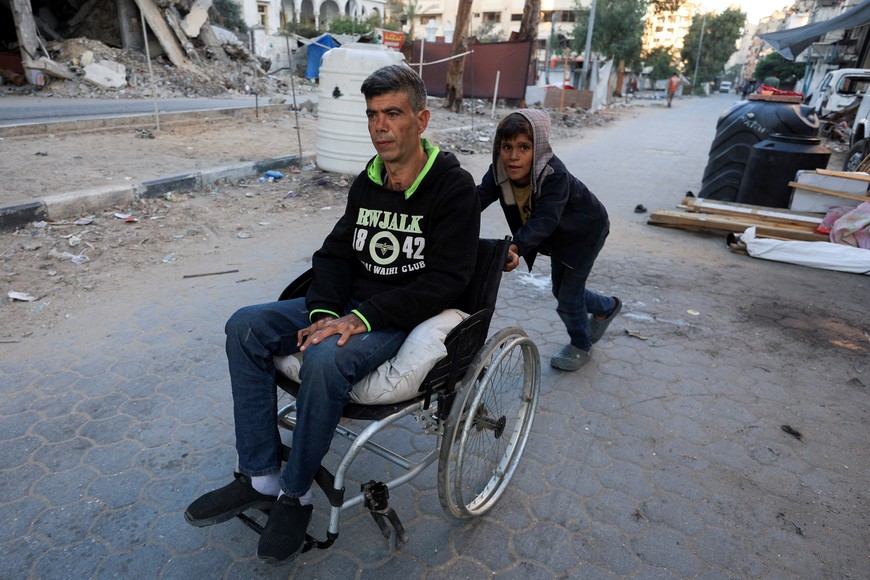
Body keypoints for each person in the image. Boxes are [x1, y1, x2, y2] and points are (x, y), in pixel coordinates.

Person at [183, 64, 480, 565]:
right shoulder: (367, 180)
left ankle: (295, 494)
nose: (379, 126)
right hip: (345, 307)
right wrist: (324, 311)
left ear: (422, 120)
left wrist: (360, 319)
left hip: (395, 316)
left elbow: (447, 281)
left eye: (392, 114)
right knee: (244, 326)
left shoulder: (453, 189)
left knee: (324, 358)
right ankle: (261, 476)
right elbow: (336, 254)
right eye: (371, 115)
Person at [477, 110, 621, 372]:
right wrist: (447, 214)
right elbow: (478, 198)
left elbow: (545, 220)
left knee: (567, 297)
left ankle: (581, 344)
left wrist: (517, 247)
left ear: (539, 147)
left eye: (524, 147)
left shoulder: (555, 176)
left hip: (584, 234)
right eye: (506, 146)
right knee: (563, 292)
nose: (513, 156)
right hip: (558, 240)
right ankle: (607, 307)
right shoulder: (499, 172)